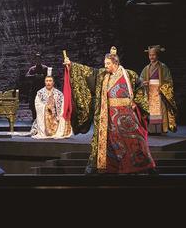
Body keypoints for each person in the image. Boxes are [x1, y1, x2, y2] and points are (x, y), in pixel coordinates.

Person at [65, 46, 156, 174]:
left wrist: (136, 103)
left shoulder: (129, 74)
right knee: (111, 142)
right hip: (108, 116)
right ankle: (111, 168)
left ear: (115, 63)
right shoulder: (103, 75)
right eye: (105, 63)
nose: (105, 66)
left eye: (108, 63)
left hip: (127, 114)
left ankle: (148, 167)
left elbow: (140, 88)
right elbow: (89, 72)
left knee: (136, 140)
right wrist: (71, 65)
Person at [139, 45, 177, 135]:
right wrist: (143, 83)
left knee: (161, 110)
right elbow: (140, 79)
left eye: (153, 55)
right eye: (150, 55)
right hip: (150, 91)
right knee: (150, 111)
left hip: (160, 91)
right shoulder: (146, 68)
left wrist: (162, 88)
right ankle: (151, 130)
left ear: (157, 55)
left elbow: (169, 81)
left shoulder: (163, 67)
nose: (151, 57)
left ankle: (161, 130)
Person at [30, 68, 72, 139]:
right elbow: (37, 104)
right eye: (47, 81)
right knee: (46, 113)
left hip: (56, 116)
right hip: (45, 116)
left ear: (53, 82)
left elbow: (62, 106)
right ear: (44, 82)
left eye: (50, 81)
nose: (48, 83)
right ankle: (45, 131)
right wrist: (46, 107)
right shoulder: (40, 93)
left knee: (64, 118)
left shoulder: (58, 93)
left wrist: (58, 113)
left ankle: (58, 130)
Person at [25, 53, 49, 121]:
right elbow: (26, 76)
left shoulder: (45, 68)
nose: (38, 60)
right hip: (34, 89)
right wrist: (34, 76)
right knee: (34, 104)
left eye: (39, 59)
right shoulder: (32, 69)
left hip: (43, 89)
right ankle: (35, 118)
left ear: (41, 60)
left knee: (44, 103)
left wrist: (43, 76)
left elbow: (50, 77)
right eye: (36, 59)